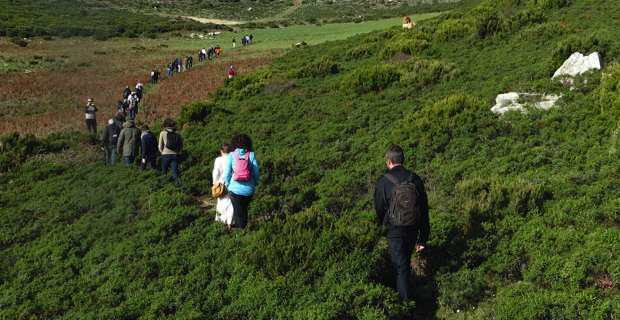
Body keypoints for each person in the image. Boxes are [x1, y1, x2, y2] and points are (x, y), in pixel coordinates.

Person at [373, 145, 430, 301]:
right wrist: (423, 238)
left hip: (394, 230)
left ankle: (405, 305)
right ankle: (410, 294)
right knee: (404, 262)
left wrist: (383, 227)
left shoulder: (383, 182)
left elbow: (379, 209)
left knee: (400, 267)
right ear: (402, 160)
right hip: (413, 227)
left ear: (389, 161)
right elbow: (424, 210)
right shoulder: (415, 179)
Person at [223, 134, 259, 229]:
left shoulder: (231, 155)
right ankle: (244, 229)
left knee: (238, 212)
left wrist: (227, 185)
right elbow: (256, 172)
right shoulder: (251, 155)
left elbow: (226, 173)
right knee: (244, 210)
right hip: (249, 190)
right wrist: (254, 183)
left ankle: (240, 233)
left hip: (234, 190)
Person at [213, 143, 234, 226]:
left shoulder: (218, 160)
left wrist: (214, 182)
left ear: (221, 151)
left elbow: (216, 172)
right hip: (232, 183)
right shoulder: (233, 159)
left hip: (221, 184)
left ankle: (220, 221)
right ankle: (230, 222)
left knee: (221, 202)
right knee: (231, 203)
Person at [159, 118, 183, 184]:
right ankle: (178, 185)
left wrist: (162, 152)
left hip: (165, 155)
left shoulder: (163, 133)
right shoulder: (177, 134)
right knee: (175, 172)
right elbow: (181, 146)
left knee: (164, 172)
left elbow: (160, 146)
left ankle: (164, 187)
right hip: (175, 155)